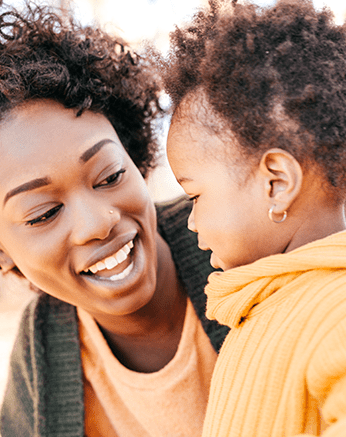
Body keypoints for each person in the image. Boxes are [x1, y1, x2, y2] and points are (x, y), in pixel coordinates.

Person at [0, 0, 228, 436]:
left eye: (111, 175)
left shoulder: (246, 247)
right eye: (44, 214)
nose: (98, 223)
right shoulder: (39, 367)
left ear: (135, 160)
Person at [162, 0, 346, 436]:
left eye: (195, 195)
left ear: (277, 183)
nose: (189, 222)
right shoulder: (268, 303)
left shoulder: (334, 310)